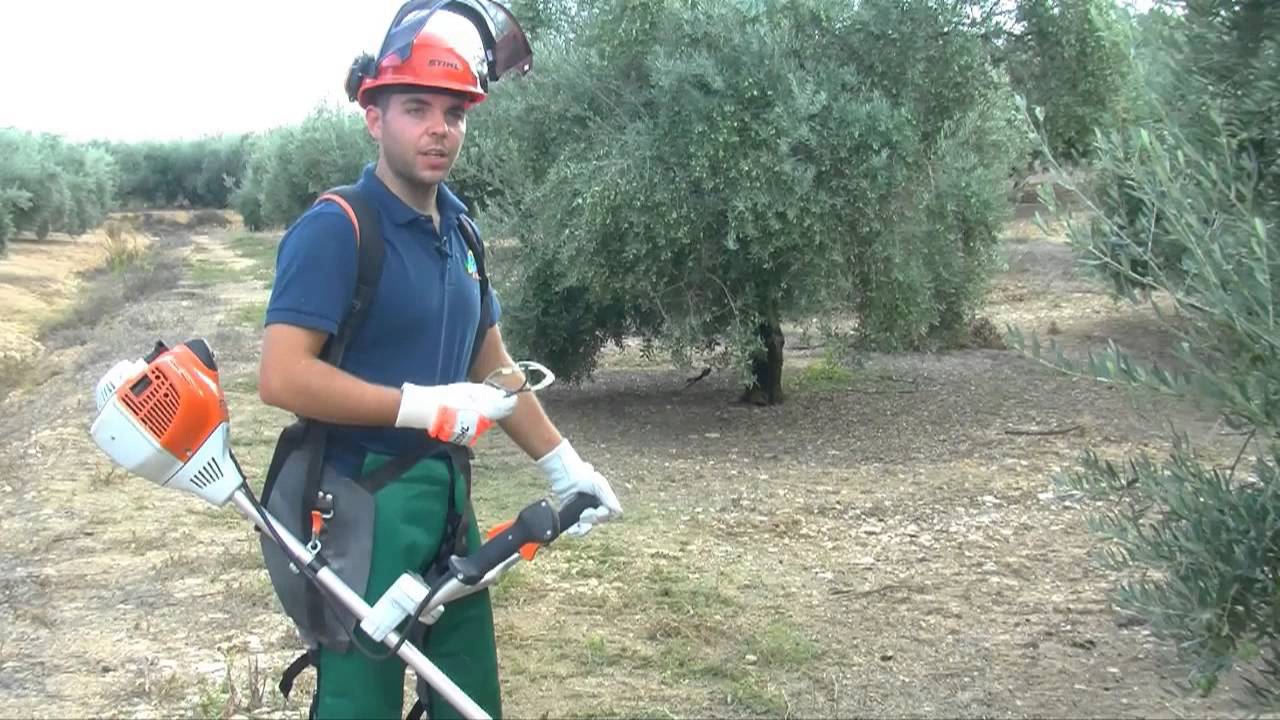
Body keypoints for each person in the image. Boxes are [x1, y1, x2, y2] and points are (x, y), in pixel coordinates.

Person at [257, 13, 622, 719]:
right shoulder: (338, 228)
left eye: (454, 113)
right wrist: (420, 407)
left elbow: (493, 364)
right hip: (357, 502)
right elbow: (282, 376)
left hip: (449, 500)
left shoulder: (460, 232)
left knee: (467, 693)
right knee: (358, 702)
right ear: (374, 117)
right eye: (417, 109)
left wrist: (563, 463)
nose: (439, 129)